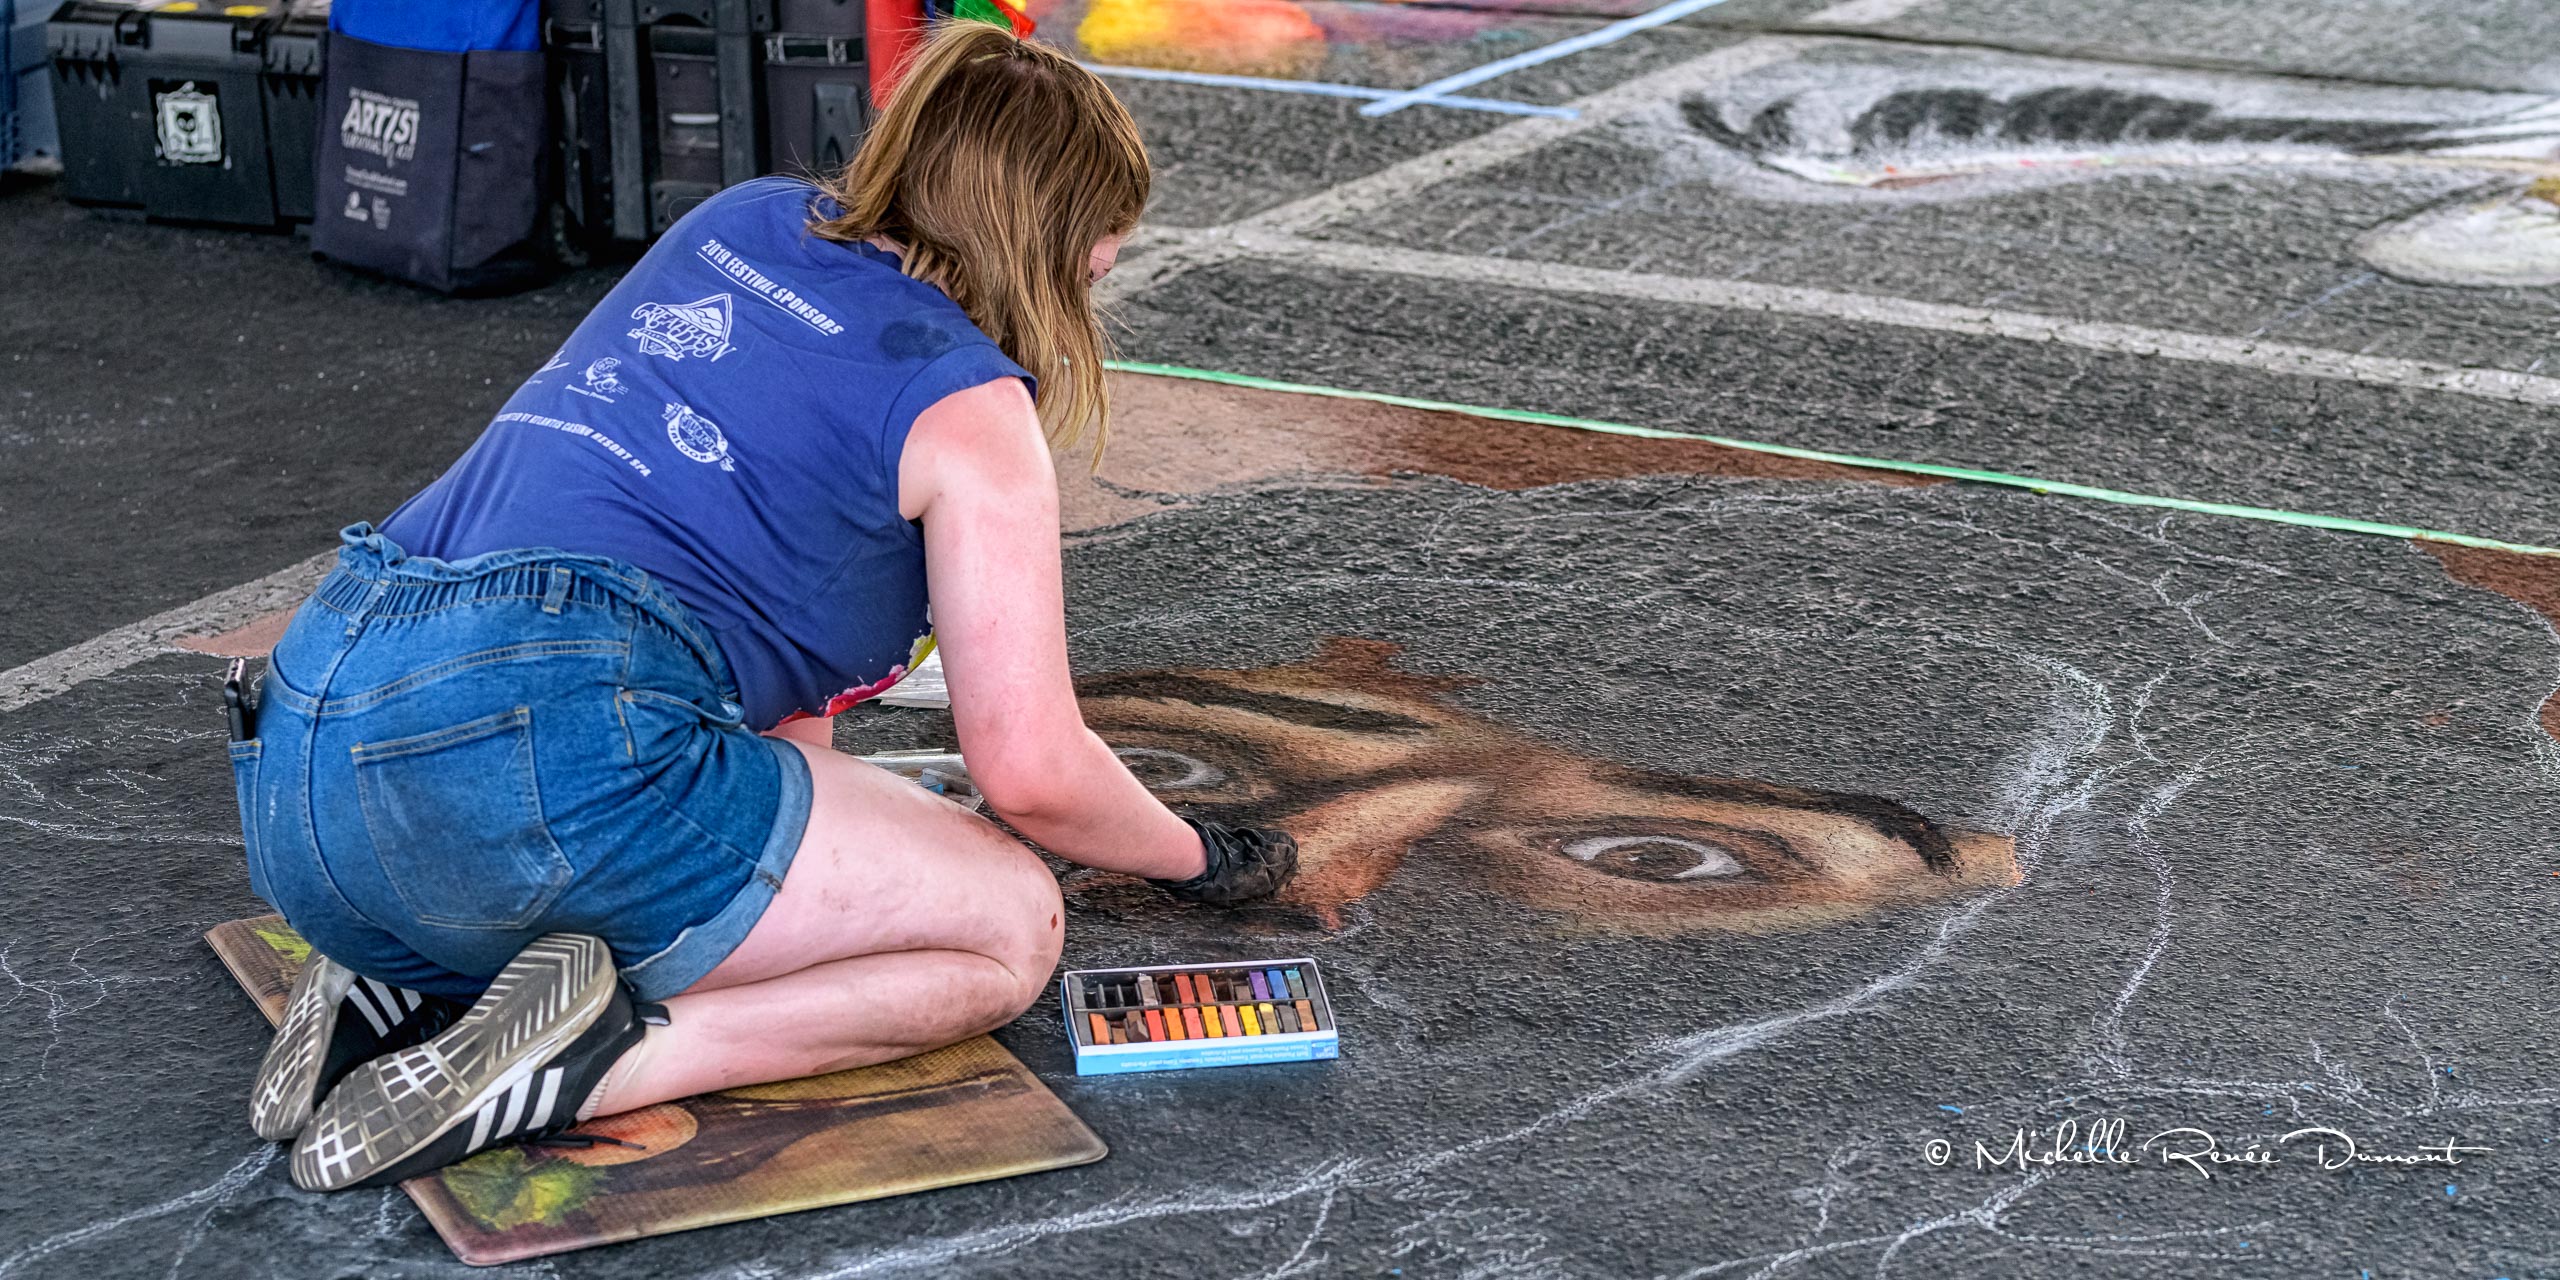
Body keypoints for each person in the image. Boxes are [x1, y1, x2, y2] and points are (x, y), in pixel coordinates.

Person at [229, 22, 1297, 1194]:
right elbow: (1032, 770)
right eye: (1093, 266)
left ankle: (400, 966)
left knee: (662, 808)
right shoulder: (969, 412)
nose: (1094, 288)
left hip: (307, 745)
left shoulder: (740, 223)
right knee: (1007, 925)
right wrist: (1196, 856)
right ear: (1044, 244)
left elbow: (765, 694)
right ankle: (593, 1060)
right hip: (537, 751)